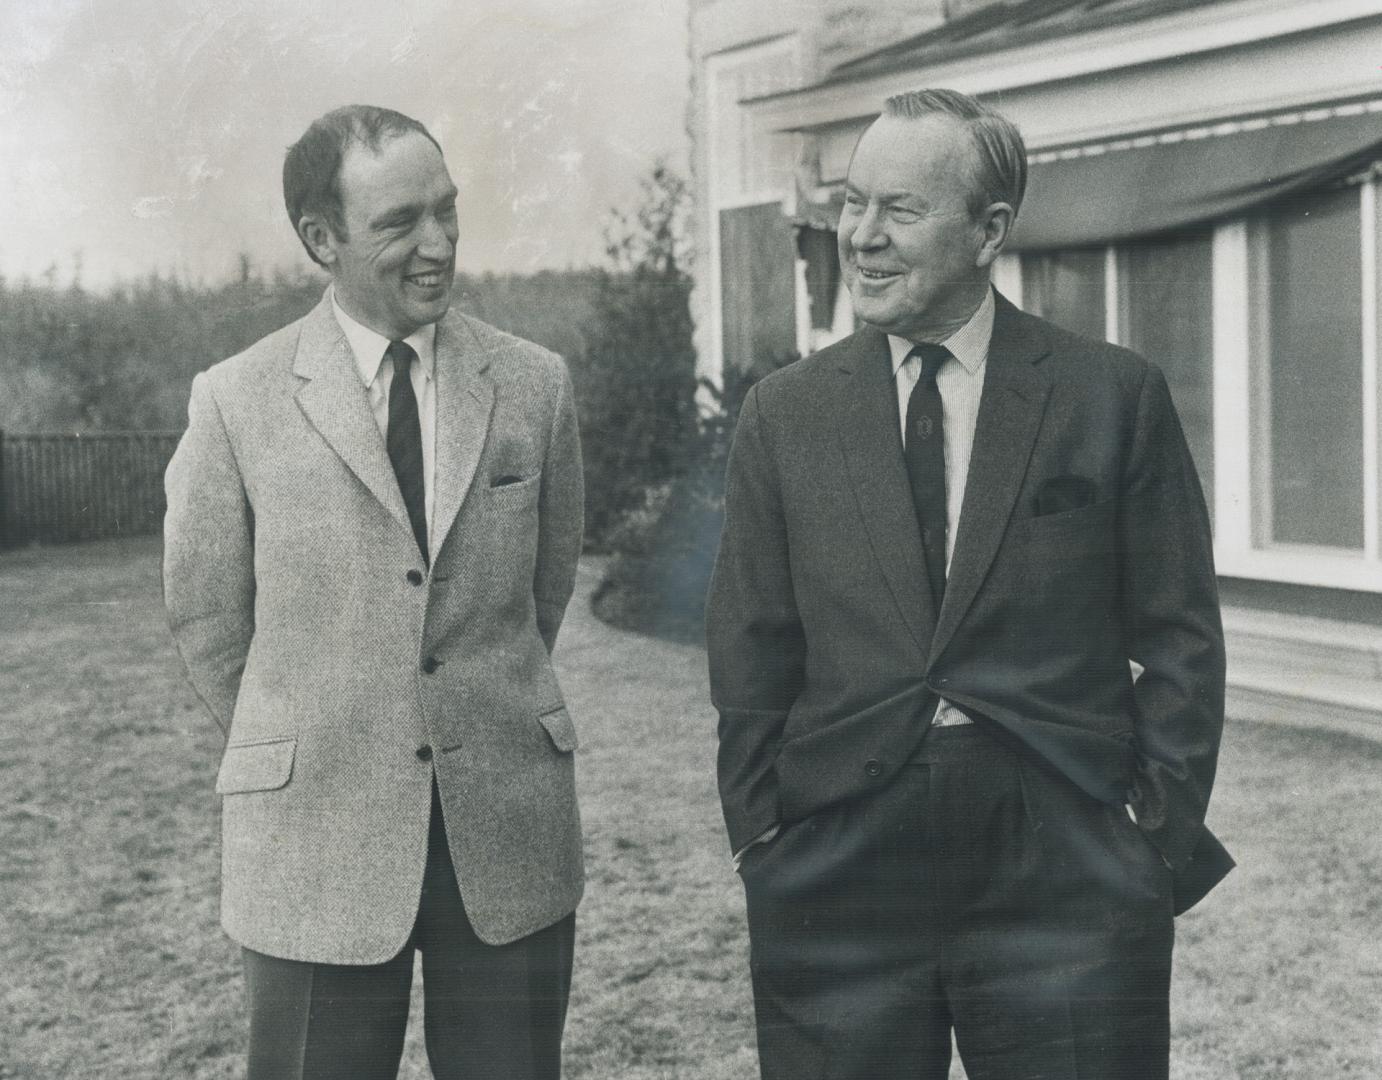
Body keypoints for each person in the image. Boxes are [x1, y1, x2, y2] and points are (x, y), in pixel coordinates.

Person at [706, 87, 1233, 1080]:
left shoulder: (1109, 396)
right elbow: (748, 647)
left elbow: (1179, 640)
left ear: (988, 230)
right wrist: (763, 842)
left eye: (896, 211)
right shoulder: (783, 417)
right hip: (839, 867)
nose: (858, 237)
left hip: (1062, 863)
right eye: (849, 202)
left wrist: (1144, 844)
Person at [163, 104, 584, 1080]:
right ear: (321, 239)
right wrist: (314, 731)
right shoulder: (236, 400)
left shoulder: (533, 385)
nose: (436, 245)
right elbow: (207, 614)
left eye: (446, 211)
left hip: (504, 829)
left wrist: (466, 702)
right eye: (399, 223)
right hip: (316, 839)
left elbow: (543, 591)